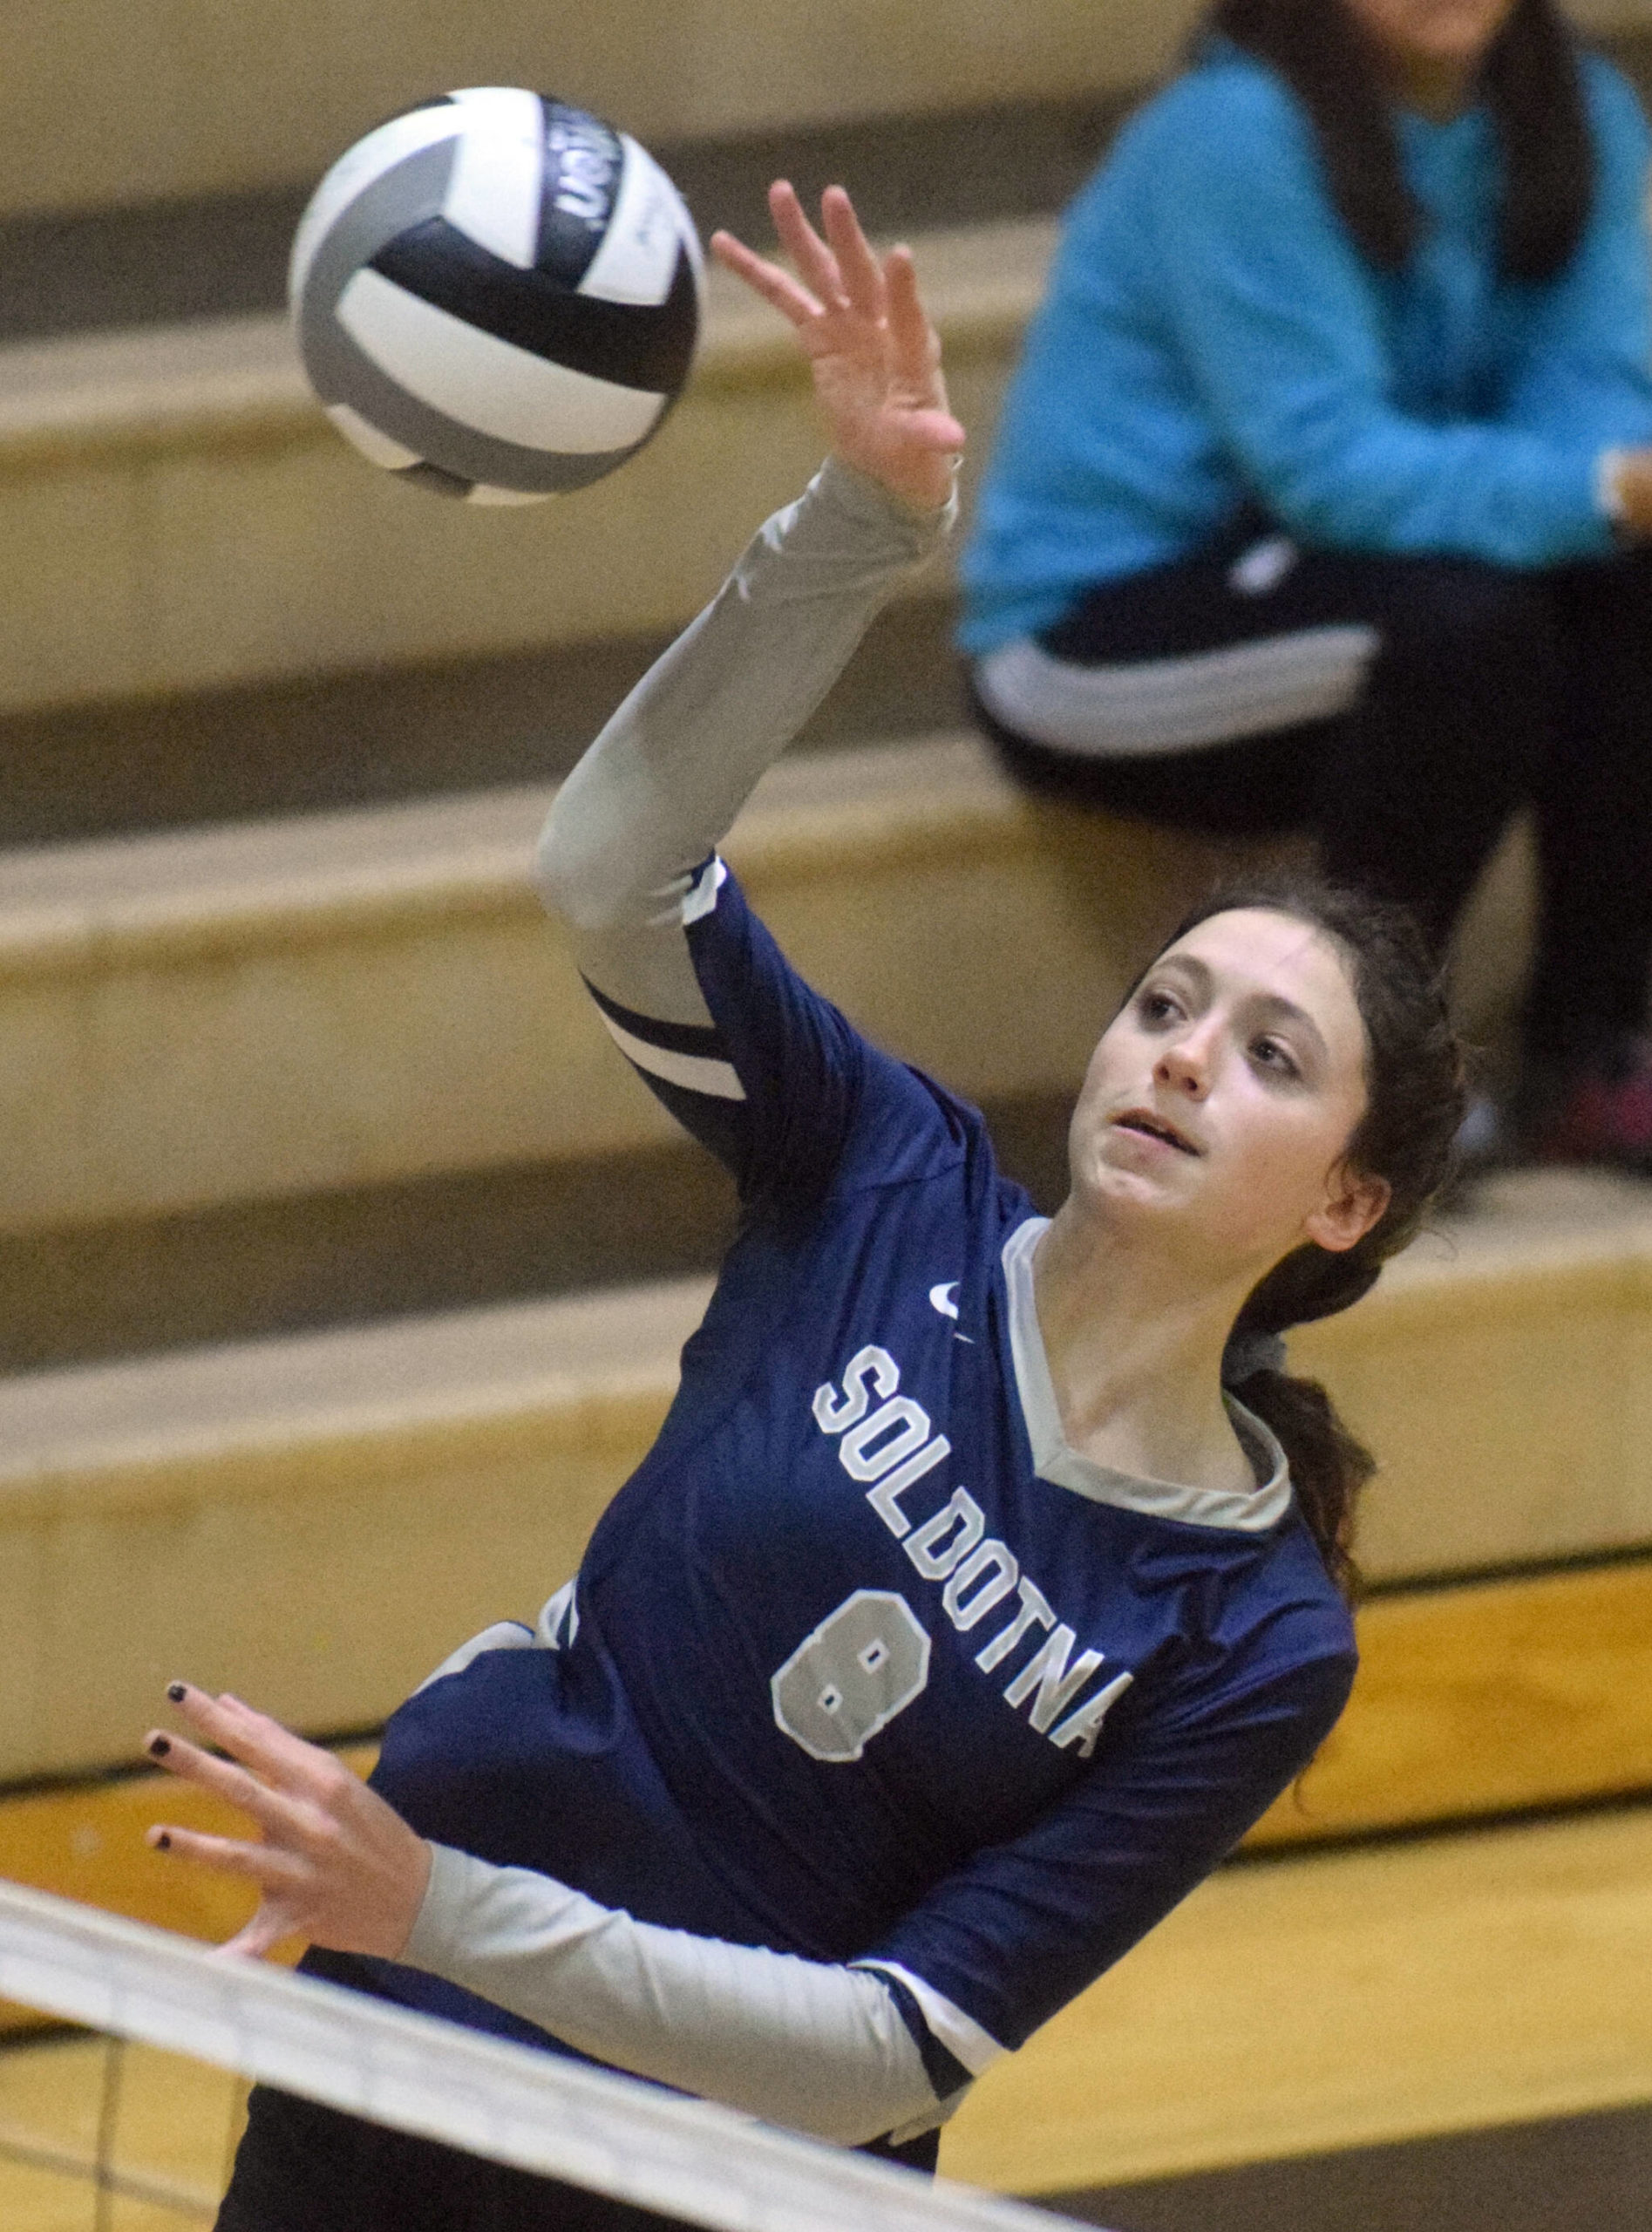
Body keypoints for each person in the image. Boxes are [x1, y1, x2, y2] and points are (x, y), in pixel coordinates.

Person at [142, 183, 1464, 2232]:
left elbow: (889, 2048)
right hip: (402, 2010)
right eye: (1170, 1000)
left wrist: (443, 1901)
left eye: (1274, 1055)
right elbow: (611, 871)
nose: (1187, 1052)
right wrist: (855, 525)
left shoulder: (1253, 1626)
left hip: (697, 2163)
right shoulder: (884, 1170)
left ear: (1352, 1205)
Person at [961, 0, 1652, 1171]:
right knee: (1471, 634)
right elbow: (1326, 467)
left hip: (1348, 577)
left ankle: (1588, 1054)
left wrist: (1610, 490)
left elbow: (1592, 392)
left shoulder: (1582, 110)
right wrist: (1602, 490)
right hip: (1091, 637)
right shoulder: (1230, 133)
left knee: (1619, 582)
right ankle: (1346, 1091)